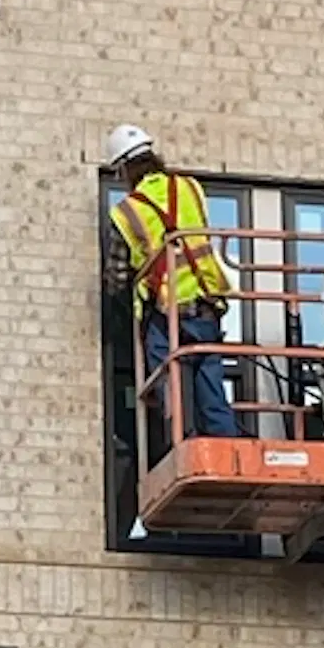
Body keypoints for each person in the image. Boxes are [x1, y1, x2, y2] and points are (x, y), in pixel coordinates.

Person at [100, 123, 240, 446]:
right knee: (212, 388)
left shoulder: (125, 213)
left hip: (167, 315)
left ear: (123, 170)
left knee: (174, 393)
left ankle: (184, 446)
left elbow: (117, 278)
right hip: (207, 305)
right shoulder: (190, 188)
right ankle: (225, 447)